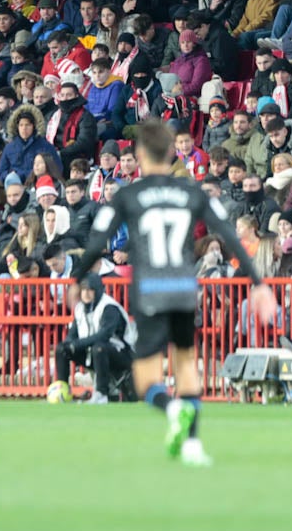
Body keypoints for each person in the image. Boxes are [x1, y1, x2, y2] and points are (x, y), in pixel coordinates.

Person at [70, 119, 274, 466]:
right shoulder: (191, 192)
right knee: (184, 363)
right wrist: (258, 284)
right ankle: (193, 443)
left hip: (149, 288)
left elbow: (95, 243)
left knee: (144, 377)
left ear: (139, 155)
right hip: (182, 287)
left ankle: (171, 407)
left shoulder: (129, 195)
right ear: (171, 153)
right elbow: (228, 233)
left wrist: (76, 281)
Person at [53, 272, 133, 404]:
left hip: (121, 354)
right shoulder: (79, 308)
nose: (86, 293)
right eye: (83, 290)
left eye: (90, 290)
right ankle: (62, 391)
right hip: (93, 352)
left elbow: (104, 335)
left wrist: (77, 345)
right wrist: (68, 345)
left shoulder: (109, 307)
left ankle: (101, 394)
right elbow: (73, 334)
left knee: (99, 347)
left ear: (98, 290)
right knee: (61, 348)